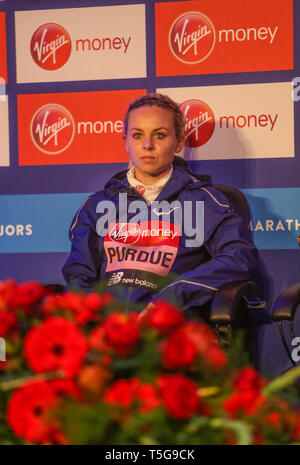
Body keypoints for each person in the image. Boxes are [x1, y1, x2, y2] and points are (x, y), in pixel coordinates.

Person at [62, 93, 258, 316]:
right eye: (137, 135)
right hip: (110, 333)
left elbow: (237, 258)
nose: (147, 145)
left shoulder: (205, 202)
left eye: (160, 135)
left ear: (179, 142)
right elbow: (79, 275)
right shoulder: (97, 205)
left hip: (172, 331)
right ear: (125, 141)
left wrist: (170, 299)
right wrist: (96, 319)